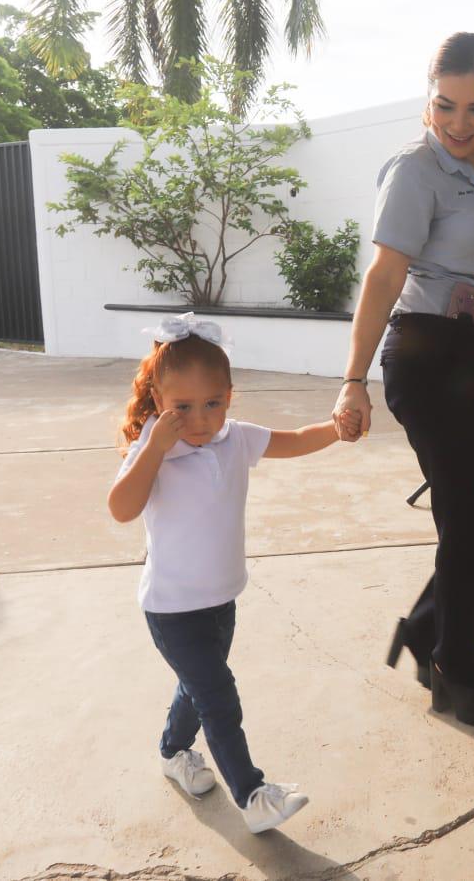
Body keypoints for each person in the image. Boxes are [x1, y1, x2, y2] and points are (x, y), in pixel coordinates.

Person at [332, 32, 474, 727]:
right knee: (466, 518)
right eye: (445, 105)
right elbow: (383, 277)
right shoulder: (415, 170)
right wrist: (353, 380)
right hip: (426, 356)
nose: (459, 123)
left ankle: (427, 630)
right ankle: (457, 671)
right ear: (427, 101)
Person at [108, 313, 356, 832]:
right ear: (158, 399)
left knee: (197, 688)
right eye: (182, 407)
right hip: (172, 608)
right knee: (218, 696)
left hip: (221, 602)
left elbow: (294, 440)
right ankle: (253, 796)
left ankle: (173, 752)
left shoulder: (235, 438)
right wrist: (154, 449)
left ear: (229, 397)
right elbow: (121, 507)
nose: (199, 420)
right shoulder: (154, 448)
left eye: (213, 403)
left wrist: (337, 428)